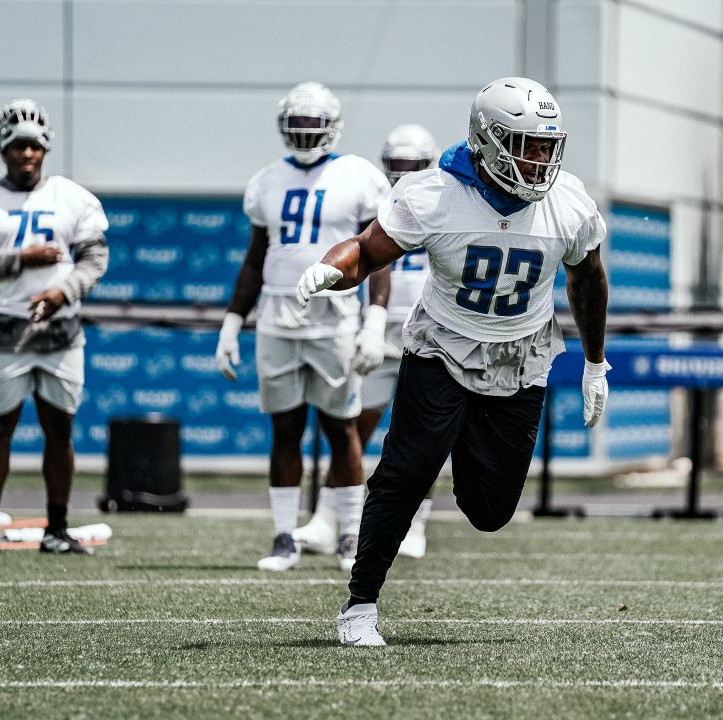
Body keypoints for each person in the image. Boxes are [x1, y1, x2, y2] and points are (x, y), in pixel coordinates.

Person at [295, 77, 611, 646]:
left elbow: (588, 276)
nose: (541, 159)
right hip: (442, 347)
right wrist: (330, 270)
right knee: (404, 476)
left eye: (548, 146)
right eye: (527, 145)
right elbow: (367, 251)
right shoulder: (434, 195)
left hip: (520, 356)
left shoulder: (567, 203)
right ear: (487, 142)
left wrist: (594, 363)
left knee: (490, 511)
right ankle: (359, 606)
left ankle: (463, 438)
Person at [216, 81, 392, 572]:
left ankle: (352, 536)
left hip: (334, 319)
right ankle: (283, 537)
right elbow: (255, 260)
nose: (304, 134)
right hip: (276, 316)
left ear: (333, 126)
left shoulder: (358, 176)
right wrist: (233, 321)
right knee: (284, 429)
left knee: (342, 429)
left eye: (313, 126)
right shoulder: (267, 180)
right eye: (296, 126)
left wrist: (375, 319)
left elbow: (379, 257)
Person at [0, 99, 110, 556]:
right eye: (18, 146)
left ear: (46, 149)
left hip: (59, 327)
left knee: (60, 429)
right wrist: (23, 258)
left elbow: (95, 258)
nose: (27, 154)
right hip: (3, 326)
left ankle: (57, 529)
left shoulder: (71, 197)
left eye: (35, 146)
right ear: (3, 149)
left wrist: (63, 292)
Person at [292, 123, 439, 560]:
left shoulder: (444, 204)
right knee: (353, 430)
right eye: (395, 166)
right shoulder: (383, 204)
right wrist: (368, 326)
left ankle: (417, 522)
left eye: (411, 166)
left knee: (422, 437)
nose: (402, 174)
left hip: (427, 331)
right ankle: (324, 519)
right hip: (380, 332)